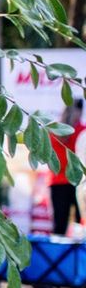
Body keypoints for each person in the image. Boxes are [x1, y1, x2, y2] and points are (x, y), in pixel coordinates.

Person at [50, 99, 84, 235]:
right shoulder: (82, 131)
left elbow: (51, 159)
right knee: (81, 225)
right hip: (78, 182)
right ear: (80, 111)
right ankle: (80, 256)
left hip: (57, 181)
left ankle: (55, 256)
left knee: (59, 225)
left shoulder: (54, 130)